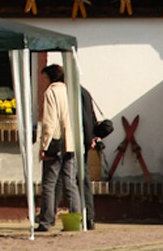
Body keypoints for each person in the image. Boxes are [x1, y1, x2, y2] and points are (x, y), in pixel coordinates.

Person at [35, 64, 80, 232]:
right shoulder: (71, 90)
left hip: (55, 141)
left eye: (45, 78)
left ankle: (46, 220)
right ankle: (76, 219)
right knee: (70, 182)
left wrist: (44, 145)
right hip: (71, 141)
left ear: (50, 77)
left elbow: (49, 121)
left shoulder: (51, 92)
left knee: (49, 184)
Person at [54, 85, 103, 230]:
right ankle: (89, 217)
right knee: (82, 178)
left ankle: (54, 214)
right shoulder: (84, 91)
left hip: (76, 141)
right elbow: (90, 117)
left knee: (69, 178)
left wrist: (88, 139)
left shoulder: (73, 91)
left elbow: (84, 118)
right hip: (84, 140)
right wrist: (91, 137)